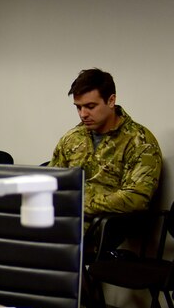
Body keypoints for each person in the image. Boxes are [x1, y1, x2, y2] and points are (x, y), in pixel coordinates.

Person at [49, 68, 161, 221]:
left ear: (111, 101)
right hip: (65, 218)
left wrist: (82, 204)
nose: (83, 114)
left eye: (90, 106)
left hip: (104, 224)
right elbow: (52, 182)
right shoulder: (72, 138)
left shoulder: (139, 141)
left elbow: (136, 198)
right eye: (78, 107)